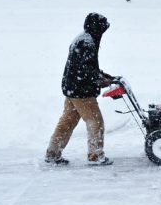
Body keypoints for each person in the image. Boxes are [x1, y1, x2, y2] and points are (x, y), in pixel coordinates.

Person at [45, 13, 114, 165]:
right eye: (102, 29)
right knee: (96, 122)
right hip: (82, 91)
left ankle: (52, 153)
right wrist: (99, 81)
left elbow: (86, 67)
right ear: (96, 28)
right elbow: (85, 70)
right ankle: (95, 155)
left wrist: (103, 75)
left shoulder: (82, 38)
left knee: (67, 122)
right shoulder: (87, 43)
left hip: (72, 88)